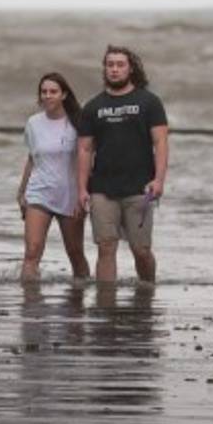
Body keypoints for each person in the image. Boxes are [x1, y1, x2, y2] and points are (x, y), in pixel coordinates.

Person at [77, 45, 169, 284]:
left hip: (140, 188)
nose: (114, 70)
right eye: (110, 65)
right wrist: (81, 188)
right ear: (104, 69)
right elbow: (85, 149)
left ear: (130, 69)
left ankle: (148, 289)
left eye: (120, 65)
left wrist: (159, 180)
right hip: (102, 189)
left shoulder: (149, 102)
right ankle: (106, 305)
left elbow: (160, 142)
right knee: (106, 248)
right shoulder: (93, 106)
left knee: (141, 250)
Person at [17, 72, 90, 282]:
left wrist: (83, 194)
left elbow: (85, 161)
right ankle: (29, 306)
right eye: (44, 92)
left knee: (75, 254)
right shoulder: (33, 123)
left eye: (53, 91)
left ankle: (79, 301)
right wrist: (22, 192)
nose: (47, 96)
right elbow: (32, 158)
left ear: (64, 95)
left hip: (70, 195)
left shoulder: (77, 123)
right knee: (32, 252)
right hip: (39, 193)